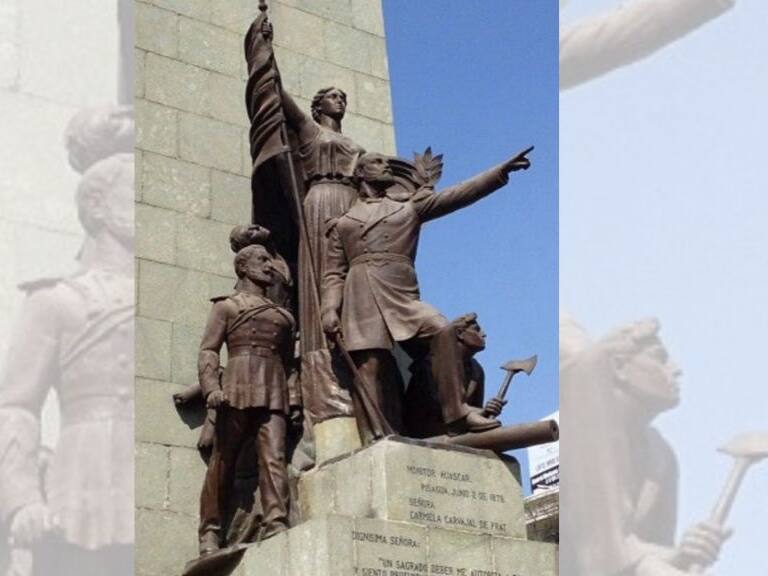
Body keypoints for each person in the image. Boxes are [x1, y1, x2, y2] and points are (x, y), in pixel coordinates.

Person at [321, 151, 531, 439]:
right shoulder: (343, 223)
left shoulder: (409, 207)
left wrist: (499, 172)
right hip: (361, 293)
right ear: (361, 174)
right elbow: (333, 272)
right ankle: (375, 436)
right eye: (378, 163)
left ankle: (457, 412)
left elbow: (457, 195)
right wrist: (329, 308)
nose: (387, 167)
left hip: (401, 293)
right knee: (369, 366)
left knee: (442, 330)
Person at [0, 149, 134, 576]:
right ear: (96, 207)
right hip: (82, 480)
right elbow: (16, 405)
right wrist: (21, 499)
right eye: (134, 194)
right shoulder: (55, 300)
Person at [560, 316, 731, 576]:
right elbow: (597, 546)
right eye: (660, 358)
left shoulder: (660, 455)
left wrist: (683, 553)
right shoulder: (580, 433)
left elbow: (639, 550)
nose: (675, 369)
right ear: (618, 366)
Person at [197, 245, 301, 556]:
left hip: (273, 390)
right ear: (243, 267)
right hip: (236, 389)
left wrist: (293, 400)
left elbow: (289, 365)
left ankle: (276, 521)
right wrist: (211, 387)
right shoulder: (226, 308)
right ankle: (210, 531)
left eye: (271, 260)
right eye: (262, 260)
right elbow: (209, 350)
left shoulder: (283, 317)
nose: (269, 266)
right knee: (222, 462)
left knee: (273, 457)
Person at [404, 314, 507, 438]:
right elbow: (437, 405)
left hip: (459, 430)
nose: (483, 334)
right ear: (459, 333)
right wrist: (481, 412)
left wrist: (488, 410)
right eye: (477, 329)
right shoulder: (431, 364)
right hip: (426, 430)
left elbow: (476, 417)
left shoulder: (477, 370)